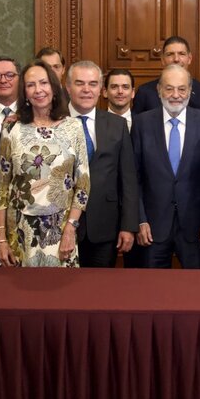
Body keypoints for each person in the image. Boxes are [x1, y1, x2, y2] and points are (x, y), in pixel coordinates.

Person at [0, 61, 90, 268]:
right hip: (19, 231)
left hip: (60, 231)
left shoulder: (73, 127)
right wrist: (1, 238)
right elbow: (3, 186)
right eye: (31, 85)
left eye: (44, 83)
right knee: (19, 287)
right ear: (24, 92)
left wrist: (70, 229)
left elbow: (83, 186)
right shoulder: (11, 127)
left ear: (54, 88)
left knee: (60, 288)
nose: (38, 90)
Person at [132, 64, 200, 268]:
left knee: (197, 286)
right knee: (150, 286)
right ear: (159, 90)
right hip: (151, 228)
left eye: (182, 89)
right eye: (169, 88)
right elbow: (133, 177)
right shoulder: (142, 123)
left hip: (197, 229)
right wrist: (140, 219)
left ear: (190, 90)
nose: (175, 95)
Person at [66, 60, 137, 268]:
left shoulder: (117, 125)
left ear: (100, 89)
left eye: (93, 84)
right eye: (79, 83)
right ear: (68, 87)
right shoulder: (53, 122)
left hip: (105, 227)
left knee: (100, 286)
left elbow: (128, 179)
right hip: (59, 225)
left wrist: (128, 226)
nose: (86, 89)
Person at [133, 35, 200, 113]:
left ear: (189, 58)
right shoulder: (144, 92)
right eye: (170, 54)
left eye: (181, 54)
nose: (176, 59)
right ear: (162, 59)